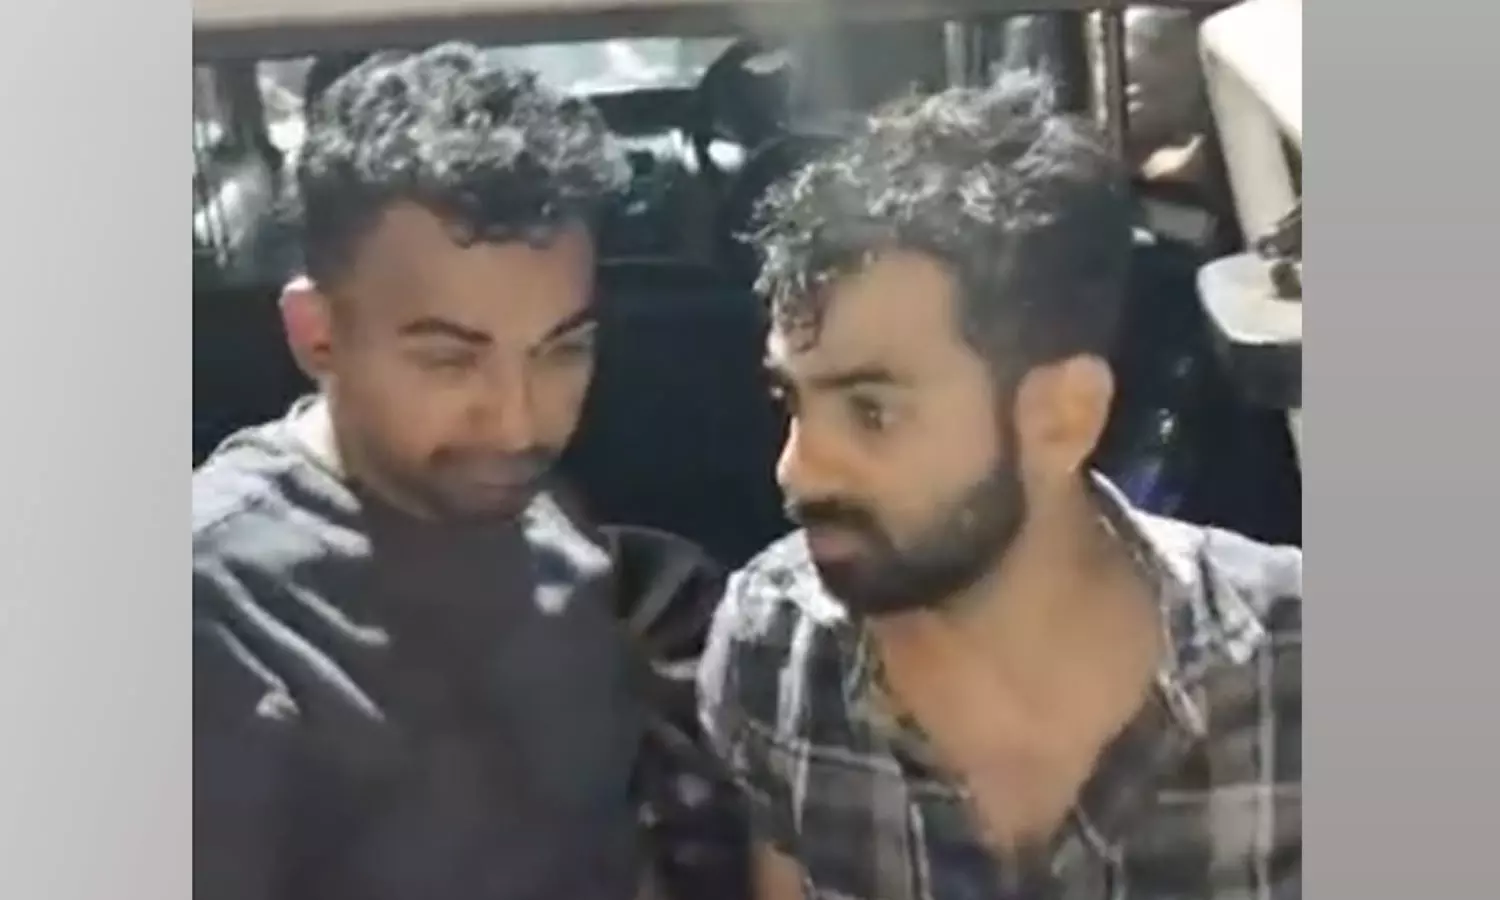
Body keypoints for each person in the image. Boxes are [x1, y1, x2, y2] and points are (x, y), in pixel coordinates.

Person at [697, 73, 1302, 900]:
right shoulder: (774, 650)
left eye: (872, 412)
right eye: (791, 401)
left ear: (1061, 418)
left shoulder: (1298, 667)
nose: (797, 469)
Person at [193, 43, 730, 900]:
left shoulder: (534, 512)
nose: (518, 423)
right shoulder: (209, 610)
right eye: (450, 359)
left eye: (562, 350)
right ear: (317, 333)